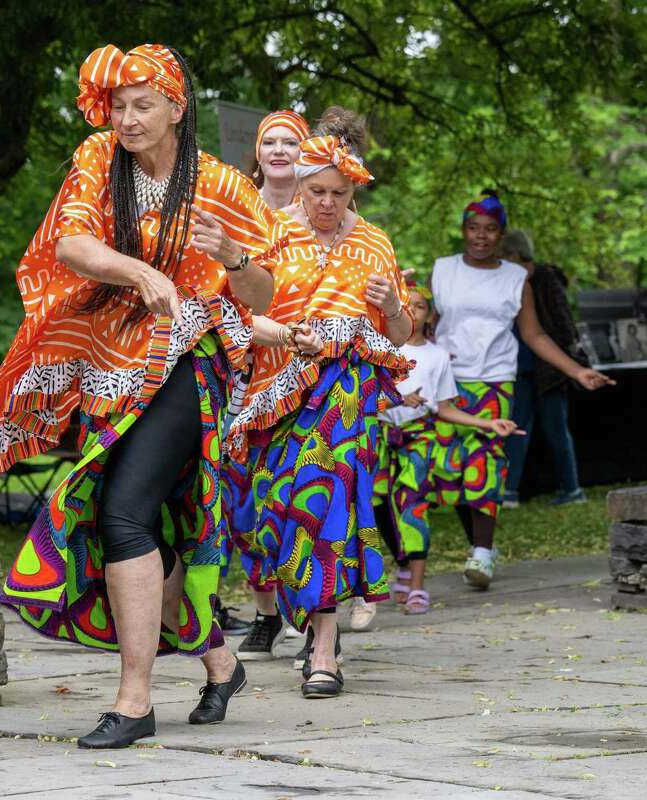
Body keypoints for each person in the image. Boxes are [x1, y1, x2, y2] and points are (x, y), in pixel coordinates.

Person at [0, 43, 279, 749]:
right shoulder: (98, 160)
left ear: (177, 107)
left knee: (120, 511)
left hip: (190, 361)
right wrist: (137, 274)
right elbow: (70, 245)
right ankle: (217, 659)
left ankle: (134, 700)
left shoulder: (219, 185)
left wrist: (232, 258)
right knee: (139, 523)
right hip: (113, 364)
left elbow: (264, 293)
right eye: (118, 105)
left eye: (142, 104)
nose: (126, 117)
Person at [229, 108, 413, 699]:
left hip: (346, 389)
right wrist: (287, 335)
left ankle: (325, 650)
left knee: (325, 499)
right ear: (300, 187)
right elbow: (238, 318)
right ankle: (305, 616)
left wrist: (390, 306)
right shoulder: (272, 235)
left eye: (337, 192)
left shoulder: (376, 242)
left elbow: (403, 333)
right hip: (279, 389)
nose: (326, 203)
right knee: (273, 511)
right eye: (316, 192)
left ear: (352, 189)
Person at [430, 191, 612, 589]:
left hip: (495, 380)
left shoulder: (516, 279)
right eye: (473, 228)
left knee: (485, 464)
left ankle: (481, 552)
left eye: (490, 230)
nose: (481, 236)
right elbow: (426, 324)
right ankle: (481, 545)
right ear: (463, 230)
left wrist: (578, 371)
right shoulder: (442, 269)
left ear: (501, 235)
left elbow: (534, 335)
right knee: (450, 469)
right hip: (448, 379)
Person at [373, 285, 521, 614]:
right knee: (378, 504)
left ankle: (417, 588)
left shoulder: (437, 356)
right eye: (405, 304)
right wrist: (394, 398)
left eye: (421, 306)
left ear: (431, 316)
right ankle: (403, 562)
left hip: (419, 440)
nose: (413, 310)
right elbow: (365, 397)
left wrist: (488, 424)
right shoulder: (379, 349)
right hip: (382, 437)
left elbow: (445, 408)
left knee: (413, 505)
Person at [226, 109, 312, 662]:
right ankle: (265, 613)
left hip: (308, 373)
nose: (279, 151)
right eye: (270, 142)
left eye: (290, 143)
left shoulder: (324, 211)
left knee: (303, 497)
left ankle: (315, 616)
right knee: (241, 499)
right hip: (241, 370)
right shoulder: (237, 212)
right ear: (257, 153)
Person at [498, 229, 587, 507]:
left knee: (556, 429)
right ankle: (509, 490)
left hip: (549, 369)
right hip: (520, 368)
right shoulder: (506, 282)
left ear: (514, 254)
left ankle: (572, 489)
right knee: (517, 430)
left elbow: (562, 324)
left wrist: (566, 364)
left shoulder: (546, 278)